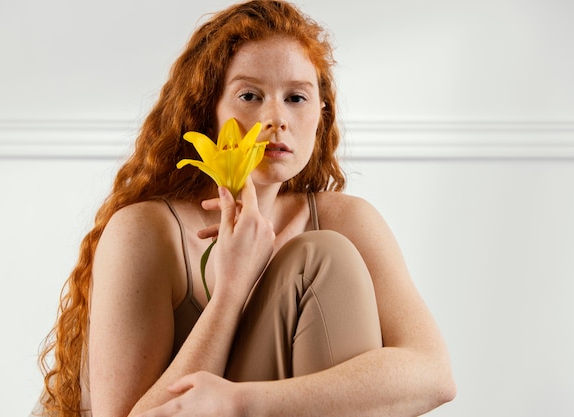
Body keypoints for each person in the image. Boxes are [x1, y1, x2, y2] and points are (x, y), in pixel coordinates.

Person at [34, 1, 456, 416]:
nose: (276, 118)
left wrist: (239, 403)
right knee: (322, 257)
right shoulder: (145, 231)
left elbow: (434, 377)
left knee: (327, 254)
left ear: (321, 114)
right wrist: (231, 289)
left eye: (296, 98)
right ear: (207, 112)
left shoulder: (349, 220)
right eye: (250, 95)